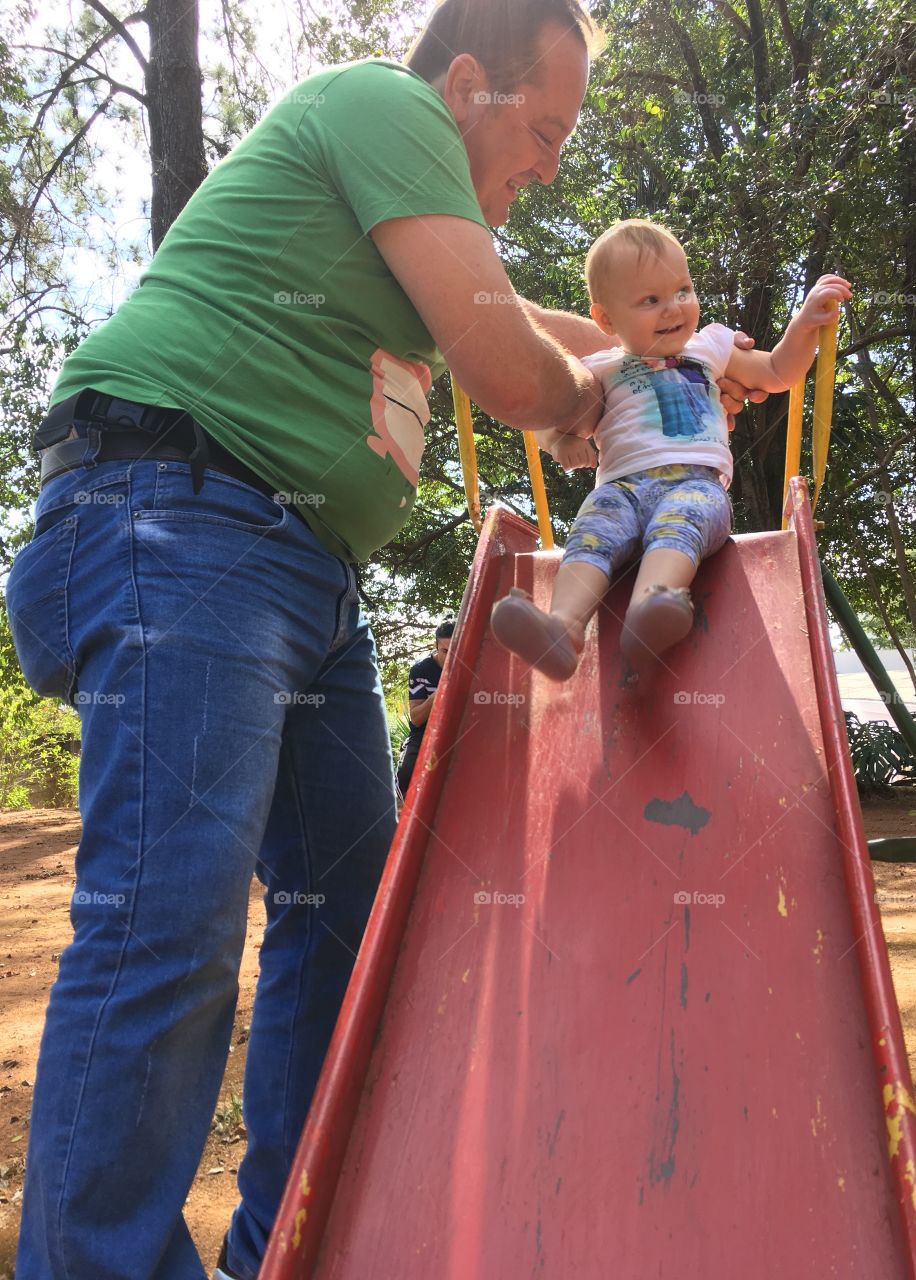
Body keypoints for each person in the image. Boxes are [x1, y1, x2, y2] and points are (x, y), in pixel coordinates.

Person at [4, 4, 766, 1276]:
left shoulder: (416, 205)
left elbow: (554, 331)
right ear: (466, 85)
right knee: (168, 921)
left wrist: (659, 364)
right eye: (544, 127)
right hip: (175, 513)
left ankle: (283, 1251)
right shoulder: (387, 107)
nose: (554, 166)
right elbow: (515, 367)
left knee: (339, 914)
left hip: (298, 568)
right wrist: (614, 403)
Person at [492, 218, 851, 685]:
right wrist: (564, 442)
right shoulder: (598, 368)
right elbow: (548, 419)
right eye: (650, 300)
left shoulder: (711, 348)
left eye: (682, 289)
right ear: (605, 320)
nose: (674, 308)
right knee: (592, 530)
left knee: (681, 520)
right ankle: (562, 629)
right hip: (619, 487)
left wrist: (803, 324)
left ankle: (650, 611)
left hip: (695, 484)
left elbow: (778, 371)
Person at [395, 620, 454, 798]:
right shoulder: (420, 670)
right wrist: (439, 693)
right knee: (405, 775)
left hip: (460, 728)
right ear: (435, 645)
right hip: (424, 730)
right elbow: (416, 718)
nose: (451, 656)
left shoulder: (472, 664)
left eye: (456, 650)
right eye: (445, 651)